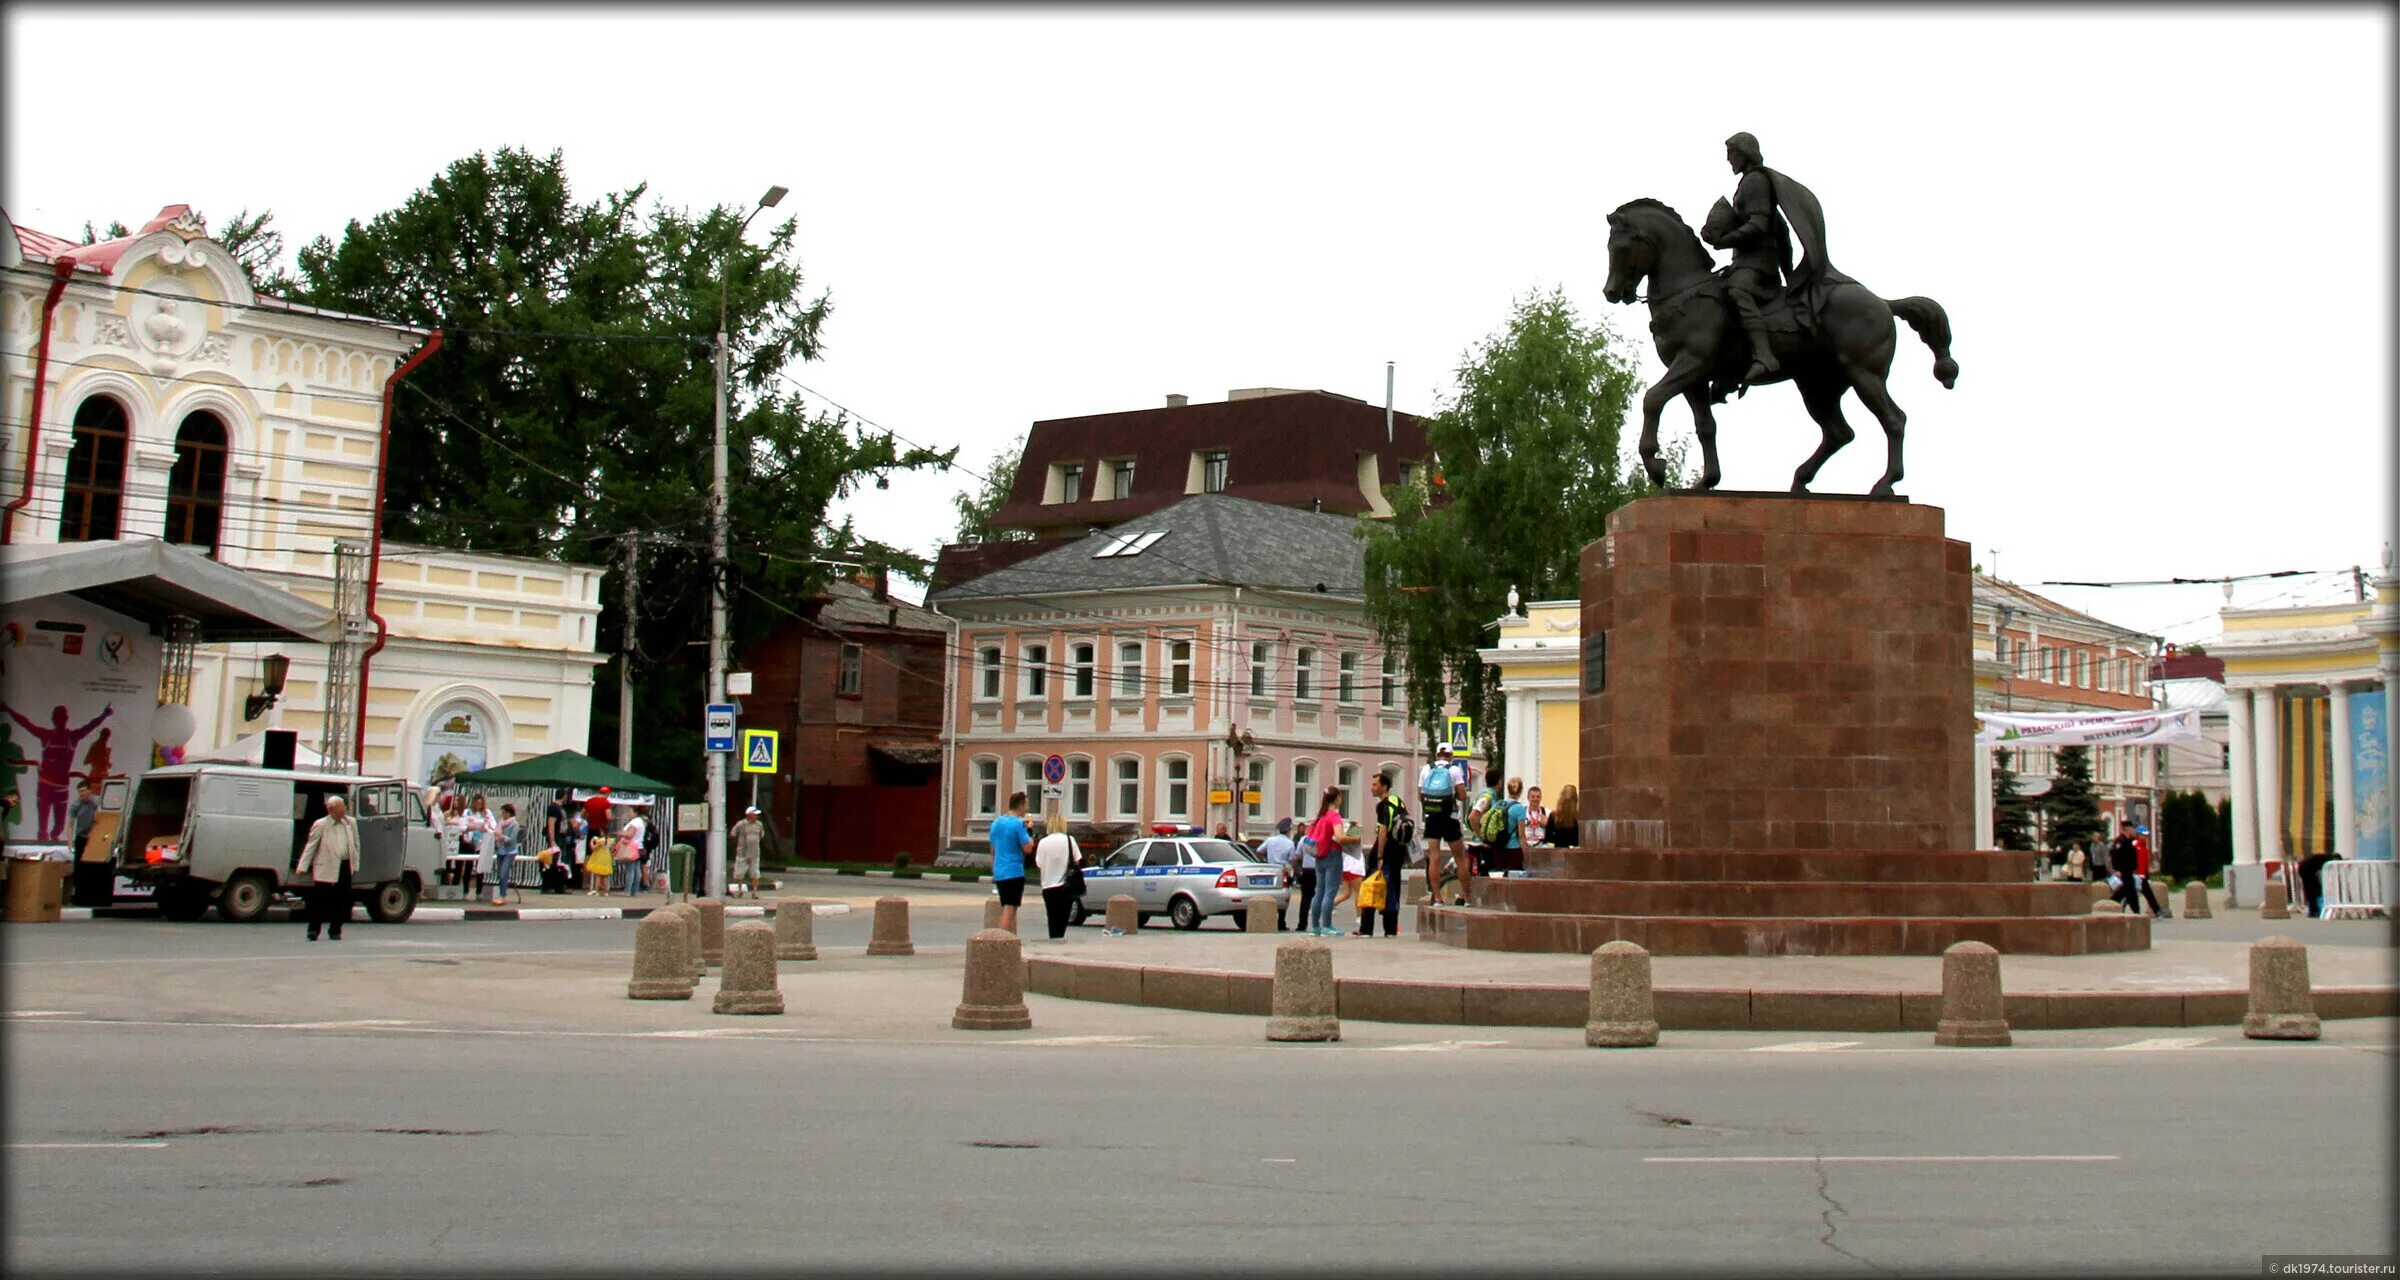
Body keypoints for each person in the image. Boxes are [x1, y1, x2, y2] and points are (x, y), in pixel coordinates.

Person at [1700, 131, 1847, 385]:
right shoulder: (1747, 181)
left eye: (1731, 154)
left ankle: (1764, 355)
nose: (1729, 160)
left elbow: (1759, 224)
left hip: (1759, 263)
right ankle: (1728, 369)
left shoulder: (1755, 181)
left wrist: (1726, 240)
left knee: (1737, 291)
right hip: (1745, 262)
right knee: (1716, 296)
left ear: (1744, 152)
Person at [293, 793, 360, 942]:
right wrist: (302, 866)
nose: (344, 810)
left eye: (344, 807)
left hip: (344, 865)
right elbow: (311, 846)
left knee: (342, 900)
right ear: (331, 810)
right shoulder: (321, 824)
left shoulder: (351, 823)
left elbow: (356, 844)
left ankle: (335, 930)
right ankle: (313, 930)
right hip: (325, 867)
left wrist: (356, 864)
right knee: (320, 900)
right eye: (341, 807)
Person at [1419, 742, 1471, 905]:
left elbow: (1420, 796)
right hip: (1450, 817)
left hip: (1432, 817)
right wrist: (1453, 797)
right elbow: (1462, 795)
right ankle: (1467, 897)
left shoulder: (1426, 769)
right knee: (1460, 858)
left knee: (1434, 858)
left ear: (1436, 755)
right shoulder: (1454, 770)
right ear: (1451, 756)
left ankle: (1437, 897)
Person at [1356, 772, 1405, 937]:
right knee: (1393, 889)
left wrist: (1379, 857)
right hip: (1398, 852)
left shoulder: (1383, 805)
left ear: (1384, 787)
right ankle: (1391, 929)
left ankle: (1366, 928)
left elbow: (1383, 831)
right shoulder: (1398, 802)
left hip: (1385, 853)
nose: (1372, 788)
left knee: (1371, 886)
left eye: (1375, 785)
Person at [989, 791, 1032, 934]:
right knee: (1010, 909)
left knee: (1008, 907)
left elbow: (993, 849)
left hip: (999, 870)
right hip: (1013, 870)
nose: (1027, 809)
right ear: (1020, 805)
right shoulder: (1018, 824)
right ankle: (1002, 940)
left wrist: (994, 867)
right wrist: (1029, 831)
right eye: (1026, 805)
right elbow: (1028, 849)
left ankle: (1010, 940)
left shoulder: (996, 823)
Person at [1306, 786, 1347, 936]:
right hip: (1333, 854)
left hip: (1319, 855)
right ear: (1336, 799)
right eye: (1340, 797)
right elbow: (1340, 836)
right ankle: (1327, 925)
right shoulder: (1334, 817)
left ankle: (1315, 926)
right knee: (1330, 891)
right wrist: (1353, 839)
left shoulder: (1320, 817)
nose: (1341, 800)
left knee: (1320, 891)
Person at [1033, 819, 1079, 940]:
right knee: (1063, 916)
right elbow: (1077, 860)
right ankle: (1059, 937)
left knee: (1052, 916)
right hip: (1066, 885)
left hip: (1047, 885)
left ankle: (1053, 937)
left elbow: (1038, 863)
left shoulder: (1043, 842)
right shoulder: (1069, 840)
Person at [1257, 818, 1302, 931]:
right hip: (1283, 871)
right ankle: (1281, 922)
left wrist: (1265, 859)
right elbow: (1292, 859)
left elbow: (1259, 851)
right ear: (1289, 830)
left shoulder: (1270, 840)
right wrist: (1293, 868)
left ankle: (1266, 920)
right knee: (1283, 896)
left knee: (1269, 895)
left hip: (1270, 869)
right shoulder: (1290, 843)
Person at [1465, 767, 1508, 881]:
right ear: (1499, 781)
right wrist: (1482, 838)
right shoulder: (1487, 797)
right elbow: (1473, 817)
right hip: (1482, 846)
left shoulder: (1489, 795)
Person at [730, 806, 766, 899]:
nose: (756, 816)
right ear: (749, 815)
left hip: (754, 853)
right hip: (742, 853)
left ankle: (754, 892)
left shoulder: (759, 825)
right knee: (739, 873)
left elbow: (761, 835)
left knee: (755, 873)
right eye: (754, 814)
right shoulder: (741, 824)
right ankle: (740, 890)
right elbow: (733, 834)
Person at [489, 803, 521, 905]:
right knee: (500, 874)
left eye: (504, 812)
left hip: (509, 852)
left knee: (503, 874)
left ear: (509, 813)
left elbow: (511, 840)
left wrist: (501, 836)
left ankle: (502, 896)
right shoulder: (500, 823)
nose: (502, 814)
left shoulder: (514, 824)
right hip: (500, 851)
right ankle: (501, 894)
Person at [2107, 827, 2143, 915]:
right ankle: (2135, 910)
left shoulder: (2129, 840)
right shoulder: (2120, 840)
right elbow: (2115, 855)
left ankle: (2112, 906)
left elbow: (2131, 854)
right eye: (2132, 830)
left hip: (2128, 870)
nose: (2134, 832)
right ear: (2127, 830)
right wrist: (2117, 870)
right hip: (2123, 871)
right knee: (2129, 891)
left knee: (2126, 891)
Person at [619, 807, 649, 896]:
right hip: (639, 847)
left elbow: (630, 835)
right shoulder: (641, 822)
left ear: (635, 813)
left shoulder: (634, 822)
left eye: (630, 811)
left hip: (632, 847)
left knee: (630, 870)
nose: (628, 813)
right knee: (636, 870)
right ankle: (635, 890)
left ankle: (627, 890)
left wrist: (620, 833)